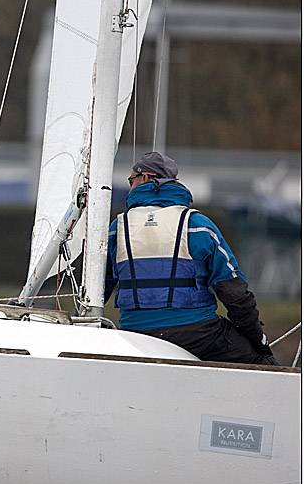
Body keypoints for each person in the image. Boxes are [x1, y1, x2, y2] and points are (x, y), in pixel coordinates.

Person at [104, 151, 277, 365]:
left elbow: (99, 286)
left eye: (131, 181)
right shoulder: (198, 225)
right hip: (197, 334)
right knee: (261, 362)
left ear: (145, 178)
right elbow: (234, 292)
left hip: (135, 333)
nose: (130, 188)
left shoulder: (117, 228)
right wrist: (258, 341)